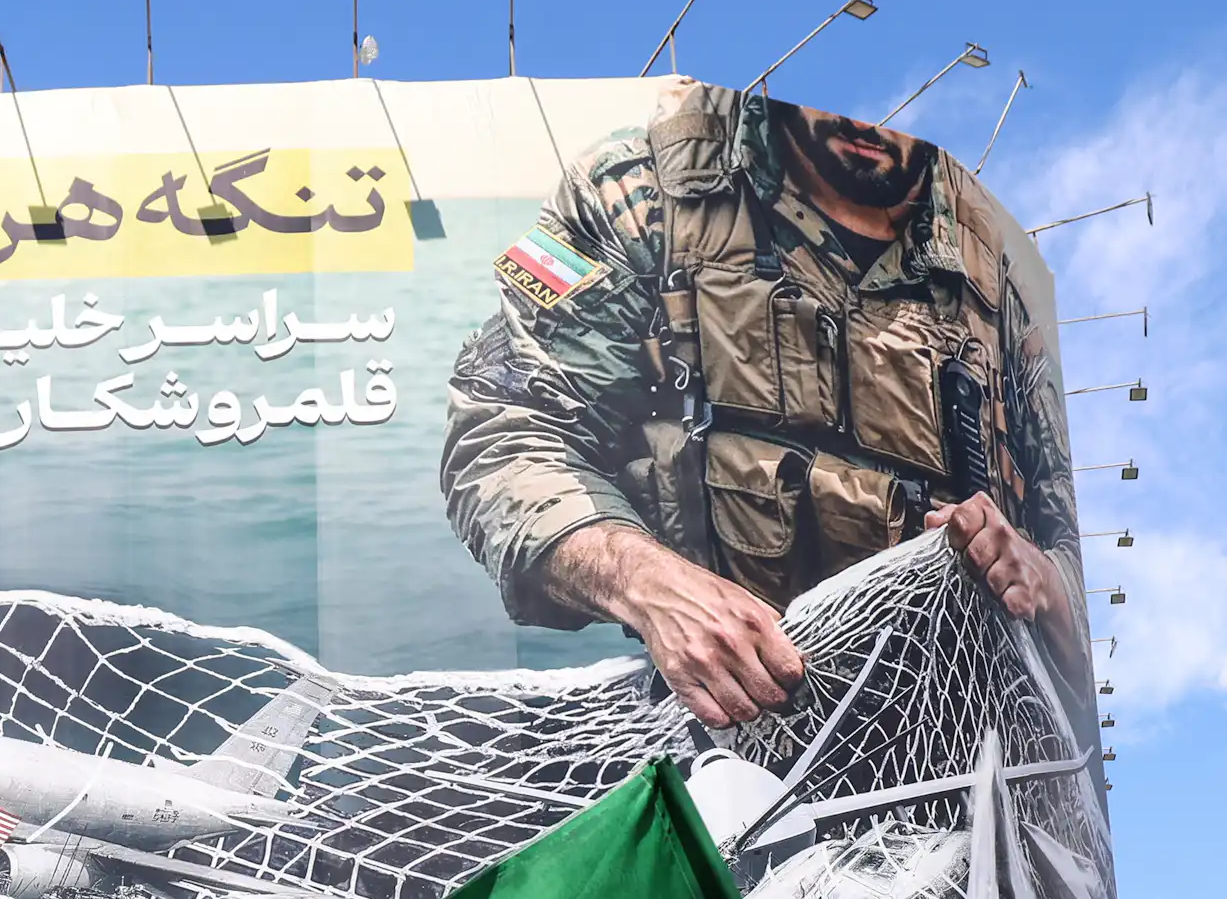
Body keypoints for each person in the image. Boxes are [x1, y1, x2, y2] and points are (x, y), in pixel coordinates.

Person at [440, 82, 1084, 728]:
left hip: (963, 741)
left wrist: (1047, 584)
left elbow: (1066, 536)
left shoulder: (990, 270)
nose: (861, 117)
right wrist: (648, 584)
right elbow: (503, 435)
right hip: (728, 746)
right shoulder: (639, 191)